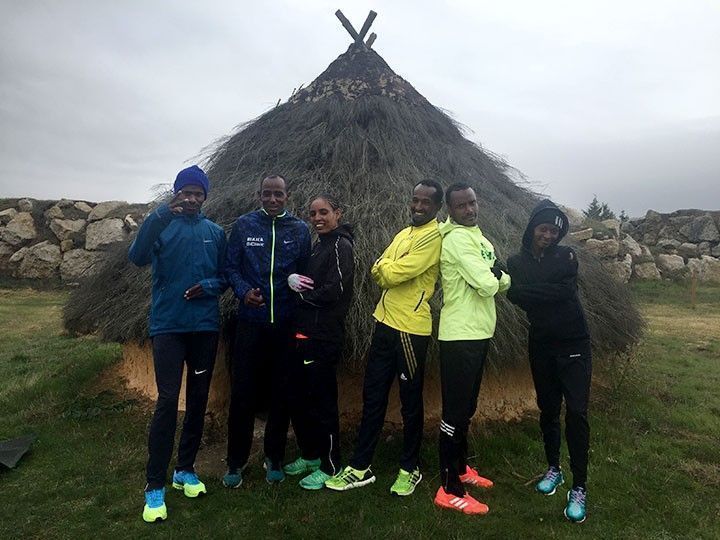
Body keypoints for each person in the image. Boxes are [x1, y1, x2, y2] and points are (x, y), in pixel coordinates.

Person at [325, 180, 443, 496]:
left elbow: (389, 273)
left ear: (436, 207)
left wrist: (386, 268)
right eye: (415, 200)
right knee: (373, 395)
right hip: (384, 322)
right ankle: (360, 465)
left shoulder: (434, 236)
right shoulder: (404, 234)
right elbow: (379, 268)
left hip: (410, 329)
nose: (418, 207)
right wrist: (386, 268)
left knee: (409, 401)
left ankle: (410, 468)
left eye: (425, 203)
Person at [129, 165, 227, 523]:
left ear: (204, 197)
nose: (191, 198)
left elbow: (226, 274)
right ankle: (154, 485)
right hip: (168, 326)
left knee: (198, 400)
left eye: (197, 193)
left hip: (203, 328)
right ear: (176, 194)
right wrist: (157, 216)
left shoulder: (214, 233)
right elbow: (137, 257)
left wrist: (211, 287)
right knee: (168, 401)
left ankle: (185, 468)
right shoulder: (160, 225)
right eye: (185, 192)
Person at [506, 199, 592, 523]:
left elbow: (564, 293)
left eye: (555, 231)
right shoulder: (516, 261)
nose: (549, 235)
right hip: (541, 344)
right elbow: (510, 293)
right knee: (548, 410)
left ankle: (579, 486)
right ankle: (554, 468)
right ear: (532, 228)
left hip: (574, 344)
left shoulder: (567, 256)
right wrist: (534, 291)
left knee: (578, 413)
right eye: (544, 229)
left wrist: (526, 291)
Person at [223, 174, 311, 487]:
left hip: (285, 325)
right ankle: (236, 461)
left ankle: (274, 457)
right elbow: (230, 267)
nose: (272, 200)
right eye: (267, 194)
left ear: (287, 196)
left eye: (278, 194)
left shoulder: (299, 230)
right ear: (258, 194)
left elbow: (306, 272)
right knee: (243, 392)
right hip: (250, 323)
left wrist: (297, 283)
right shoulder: (245, 226)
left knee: (281, 393)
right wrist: (244, 290)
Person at [433, 183, 510, 515]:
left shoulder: (479, 237)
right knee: (454, 412)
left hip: (478, 332)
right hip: (459, 335)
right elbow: (489, 282)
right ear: (450, 209)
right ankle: (449, 488)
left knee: (467, 406)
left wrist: (498, 277)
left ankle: (462, 468)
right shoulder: (456, 241)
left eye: (473, 202)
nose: (469, 209)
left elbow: (501, 279)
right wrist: (497, 277)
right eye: (461, 205)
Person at [281, 194, 355, 490]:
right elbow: (313, 284)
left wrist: (298, 294)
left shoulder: (341, 246)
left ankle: (331, 464)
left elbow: (333, 291)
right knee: (303, 397)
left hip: (324, 336)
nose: (317, 218)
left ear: (338, 212)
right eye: (312, 213)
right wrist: (294, 279)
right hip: (307, 334)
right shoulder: (320, 245)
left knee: (323, 401)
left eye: (324, 212)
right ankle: (311, 454)